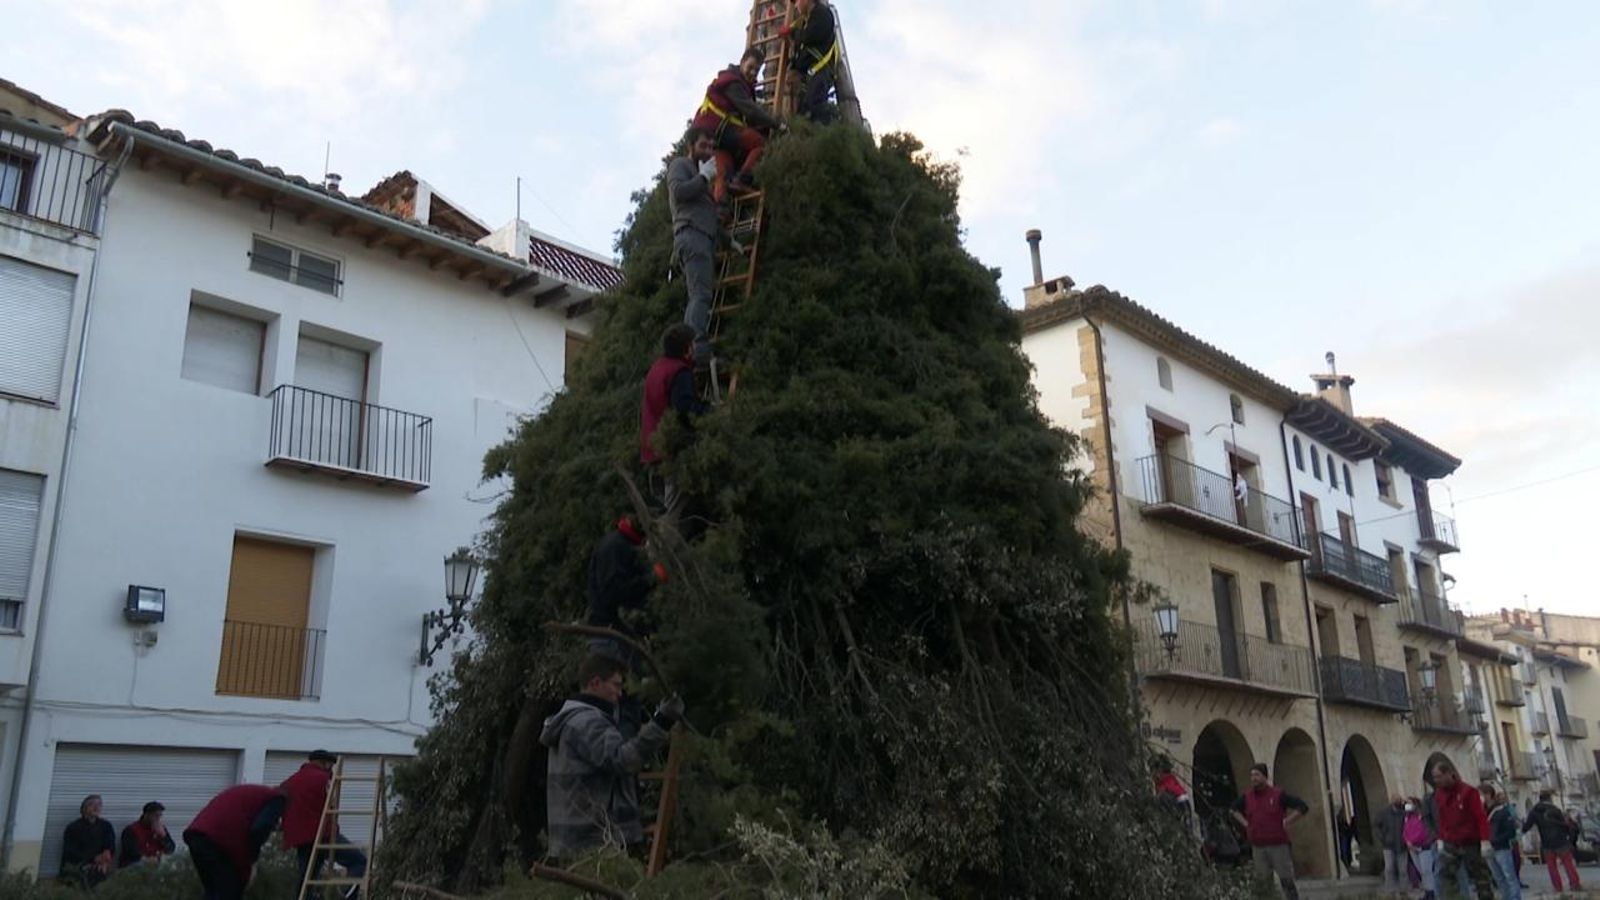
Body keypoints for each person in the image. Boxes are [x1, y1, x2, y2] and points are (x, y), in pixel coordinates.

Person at [541, 654, 682, 859]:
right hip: (592, 842)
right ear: (595, 683)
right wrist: (661, 722)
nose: (619, 693)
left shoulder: (573, 720)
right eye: (615, 685)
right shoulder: (588, 722)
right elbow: (623, 760)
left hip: (576, 840)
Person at [692, 47, 782, 202]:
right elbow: (751, 111)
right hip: (720, 130)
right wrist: (776, 124)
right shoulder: (732, 83)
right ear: (742, 62)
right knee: (760, 144)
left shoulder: (738, 84)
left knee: (724, 171)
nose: (753, 72)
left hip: (713, 136)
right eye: (750, 67)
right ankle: (743, 179)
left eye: (757, 70)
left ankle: (721, 209)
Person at [640, 324, 711, 515]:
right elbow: (684, 409)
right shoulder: (679, 372)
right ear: (686, 348)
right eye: (693, 343)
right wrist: (709, 411)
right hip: (671, 454)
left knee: (660, 513)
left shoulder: (656, 368)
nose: (695, 347)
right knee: (673, 517)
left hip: (652, 453)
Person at [280, 749, 368, 899]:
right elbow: (329, 806)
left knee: (306, 881)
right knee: (358, 861)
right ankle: (348, 897)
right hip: (323, 834)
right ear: (325, 763)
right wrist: (334, 829)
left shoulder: (290, 781)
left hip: (300, 839)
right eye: (330, 766)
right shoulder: (323, 779)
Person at [667, 126, 721, 365]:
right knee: (700, 295)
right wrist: (703, 178)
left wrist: (729, 240)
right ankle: (696, 349)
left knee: (698, 295)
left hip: (702, 237)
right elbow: (679, 193)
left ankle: (691, 347)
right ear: (691, 146)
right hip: (692, 235)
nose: (708, 151)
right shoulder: (681, 165)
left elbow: (706, 213)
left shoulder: (700, 176)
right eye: (703, 145)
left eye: (711, 147)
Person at [183, 783, 287, 900]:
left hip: (197, 835)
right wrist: (252, 862)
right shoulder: (278, 799)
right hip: (217, 842)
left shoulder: (254, 795)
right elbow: (259, 829)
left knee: (213, 891)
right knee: (230, 890)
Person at [1231, 763, 1309, 899]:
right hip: (1258, 847)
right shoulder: (1247, 797)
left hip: (1278, 845)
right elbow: (1233, 809)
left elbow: (1302, 807)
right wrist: (1246, 824)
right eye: (1252, 775)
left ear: (1265, 777)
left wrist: (1288, 821)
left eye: (1257, 775)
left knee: (1286, 880)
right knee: (1263, 884)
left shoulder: (1278, 794)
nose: (1254, 778)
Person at [1430, 759, 1494, 900]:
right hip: (1451, 842)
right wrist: (1441, 838)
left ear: (1449, 774)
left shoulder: (1469, 792)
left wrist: (1485, 840)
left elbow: (1480, 817)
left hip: (1471, 842)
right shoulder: (1439, 794)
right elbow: (1442, 817)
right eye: (1434, 777)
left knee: (1481, 877)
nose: (1436, 781)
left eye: (1439, 777)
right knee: (1445, 874)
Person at [780, 0, 838, 123]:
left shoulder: (822, 14)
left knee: (815, 106)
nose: (796, 5)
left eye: (797, 1)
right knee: (804, 112)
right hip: (812, 73)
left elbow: (809, 37)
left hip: (821, 70)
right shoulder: (806, 20)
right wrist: (794, 65)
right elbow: (804, 50)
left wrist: (792, 32)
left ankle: (825, 130)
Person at [1523, 789, 1580, 892]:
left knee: (1552, 867)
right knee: (1568, 864)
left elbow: (1527, 826)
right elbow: (1564, 825)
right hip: (1561, 841)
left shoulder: (1534, 811)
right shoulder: (1555, 810)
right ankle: (1575, 884)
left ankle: (1557, 887)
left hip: (1546, 843)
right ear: (1549, 798)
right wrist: (1569, 837)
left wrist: (1521, 828)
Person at [59, 794, 116, 888]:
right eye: (92, 804)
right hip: (77, 866)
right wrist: (93, 859)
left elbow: (110, 845)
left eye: (99, 804)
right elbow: (70, 852)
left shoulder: (106, 826)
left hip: (99, 866)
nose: (96, 807)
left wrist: (106, 855)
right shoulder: (73, 828)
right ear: (84, 808)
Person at [1486, 787, 1522, 900]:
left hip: (1502, 848)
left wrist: (1495, 839)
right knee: (1498, 878)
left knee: (1509, 876)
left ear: (1488, 795)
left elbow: (1510, 831)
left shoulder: (1502, 811)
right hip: (1488, 849)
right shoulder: (1483, 811)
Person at [117, 801, 176, 868]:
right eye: (156, 815)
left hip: (155, 863)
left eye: (160, 816)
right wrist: (147, 859)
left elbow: (171, 849)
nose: (158, 818)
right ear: (146, 814)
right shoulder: (131, 830)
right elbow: (131, 852)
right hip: (136, 863)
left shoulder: (161, 829)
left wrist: (163, 836)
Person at [1403, 796, 1438, 899]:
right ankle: (1427, 891)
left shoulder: (1421, 816)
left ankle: (1432, 892)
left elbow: (1422, 831)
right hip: (1412, 848)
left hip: (1423, 847)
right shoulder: (1407, 818)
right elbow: (1405, 831)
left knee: (1427, 871)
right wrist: (1407, 841)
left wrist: (1412, 841)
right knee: (1421, 871)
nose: (1407, 805)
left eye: (1409, 803)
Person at [1376, 794, 1410, 895]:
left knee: (1403, 869)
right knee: (1389, 868)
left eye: (1399, 800)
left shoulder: (1404, 813)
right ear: (1391, 801)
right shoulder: (1384, 813)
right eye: (1396, 800)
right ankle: (1390, 889)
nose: (1398, 801)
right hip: (1388, 845)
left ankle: (1404, 890)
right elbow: (1376, 826)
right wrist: (1383, 838)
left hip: (1402, 844)